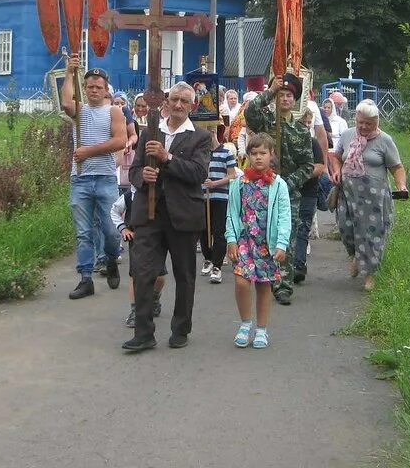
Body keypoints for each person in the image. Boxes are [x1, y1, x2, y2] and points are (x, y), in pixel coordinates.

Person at [122, 82, 212, 352]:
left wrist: (168, 158)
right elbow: (134, 171)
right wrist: (141, 177)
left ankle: (181, 328)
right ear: (166, 101)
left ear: (192, 105)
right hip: (149, 214)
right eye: (174, 99)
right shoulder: (150, 131)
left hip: (183, 215)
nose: (178, 105)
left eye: (185, 101)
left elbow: (198, 173)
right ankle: (144, 332)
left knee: (184, 275)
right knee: (143, 272)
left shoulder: (200, 137)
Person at [243, 73, 314, 305]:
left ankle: (283, 284)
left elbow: (307, 166)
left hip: (288, 193)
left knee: (287, 237)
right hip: (262, 190)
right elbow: (250, 112)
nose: (284, 99)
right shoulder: (266, 122)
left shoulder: (302, 131)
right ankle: (263, 276)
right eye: (281, 95)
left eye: (288, 95)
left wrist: (287, 184)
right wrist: (269, 92)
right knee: (262, 234)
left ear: (294, 101)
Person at [61, 56, 127, 300]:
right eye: (90, 86)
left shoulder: (114, 111)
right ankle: (85, 278)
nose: (94, 90)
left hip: (105, 177)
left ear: (106, 89)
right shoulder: (80, 110)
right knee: (83, 231)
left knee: (111, 230)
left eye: (99, 87)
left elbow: (120, 141)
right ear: (85, 88)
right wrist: (69, 73)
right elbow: (66, 101)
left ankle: (110, 258)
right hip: (80, 179)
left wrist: (89, 150)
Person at [327, 99, 408, 292]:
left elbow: (397, 168)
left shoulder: (385, 140)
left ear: (377, 122)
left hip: (374, 200)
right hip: (349, 195)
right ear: (356, 118)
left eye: (368, 124)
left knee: (372, 235)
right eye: (360, 122)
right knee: (347, 231)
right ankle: (356, 255)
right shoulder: (347, 135)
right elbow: (336, 157)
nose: (363, 127)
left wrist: (402, 185)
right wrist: (337, 170)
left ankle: (369, 274)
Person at [225, 133, 291, 349]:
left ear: (272, 155)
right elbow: (232, 213)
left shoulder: (278, 184)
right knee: (241, 281)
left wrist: (281, 243)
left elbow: (284, 216)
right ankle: (245, 323)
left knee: (264, 286)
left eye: (263, 153)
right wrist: (231, 239)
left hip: (266, 243)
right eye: (254, 153)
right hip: (245, 240)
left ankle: (261, 329)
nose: (258, 158)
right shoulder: (239, 183)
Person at [110, 187, 166, 328]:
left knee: (159, 276)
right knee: (135, 275)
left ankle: (154, 298)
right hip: (136, 239)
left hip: (157, 238)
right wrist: (123, 228)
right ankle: (135, 310)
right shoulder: (129, 196)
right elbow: (114, 211)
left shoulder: (161, 192)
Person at [293, 106, 328, 284]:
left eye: (309, 123)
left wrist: (301, 175)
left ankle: (298, 265)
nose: (306, 126)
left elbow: (320, 166)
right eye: (303, 122)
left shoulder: (313, 143)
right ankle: (288, 264)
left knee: (303, 227)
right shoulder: (288, 141)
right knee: (289, 228)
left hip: (308, 191)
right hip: (290, 192)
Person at [200, 122, 237, 284]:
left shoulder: (226, 153)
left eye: (211, 132)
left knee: (219, 230)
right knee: (203, 230)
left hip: (220, 197)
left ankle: (217, 265)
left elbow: (232, 175)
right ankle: (208, 258)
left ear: (215, 133)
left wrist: (215, 183)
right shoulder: (201, 154)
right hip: (203, 197)